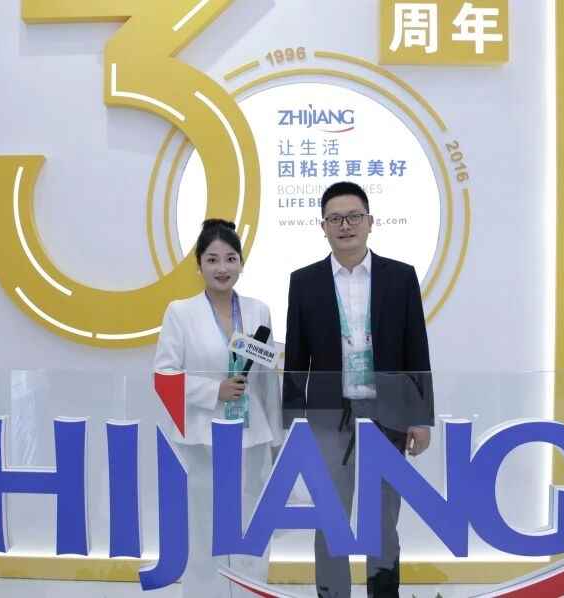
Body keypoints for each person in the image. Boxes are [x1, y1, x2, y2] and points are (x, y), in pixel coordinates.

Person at [283, 181, 434, 598]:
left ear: (370, 222)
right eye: (335, 218)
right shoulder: (304, 282)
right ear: (323, 227)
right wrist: (293, 424)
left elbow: (416, 350)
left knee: (383, 518)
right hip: (328, 418)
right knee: (329, 518)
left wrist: (421, 418)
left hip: (389, 416)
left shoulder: (400, 277)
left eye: (353, 216)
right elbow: (295, 359)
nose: (345, 225)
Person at [154, 218, 283, 597]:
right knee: (204, 527)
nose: (222, 268)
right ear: (199, 265)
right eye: (212, 259)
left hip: (253, 436)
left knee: (252, 526)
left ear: (242, 262)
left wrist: (276, 438)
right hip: (203, 440)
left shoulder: (259, 311)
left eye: (230, 258)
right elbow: (164, 375)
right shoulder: (181, 312)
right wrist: (215, 391)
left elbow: (267, 380)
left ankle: (250, 591)